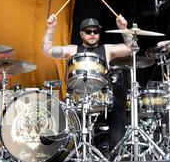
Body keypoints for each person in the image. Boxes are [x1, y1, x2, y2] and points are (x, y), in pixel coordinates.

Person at [42, 14, 132, 150]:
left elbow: (131, 48)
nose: (92, 34)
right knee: (59, 110)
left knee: (116, 106)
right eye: (88, 31)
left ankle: (117, 150)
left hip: (101, 96)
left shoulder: (107, 49)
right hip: (76, 96)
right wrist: (50, 28)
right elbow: (47, 51)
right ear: (81, 34)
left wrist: (124, 29)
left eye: (95, 31)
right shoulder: (73, 50)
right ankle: (62, 151)